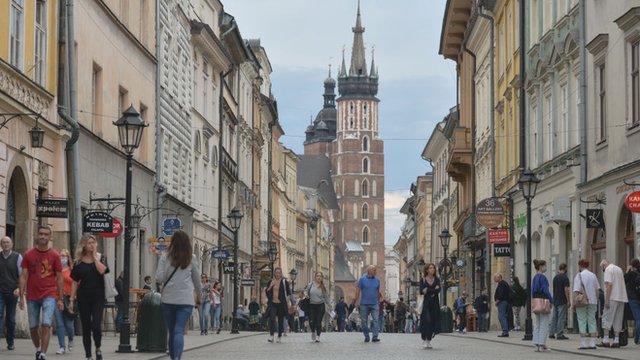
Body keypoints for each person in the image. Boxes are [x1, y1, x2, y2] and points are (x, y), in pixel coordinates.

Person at [19, 226, 64, 360]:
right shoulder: (28, 254)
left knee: (46, 323)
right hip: (32, 295)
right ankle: (38, 348)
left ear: (50, 237)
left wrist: (60, 298)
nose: (43, 236)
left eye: (46, 234)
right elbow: (23, 275)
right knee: (33, 327)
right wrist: (21, 296)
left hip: (49, 294)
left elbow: (59, 277)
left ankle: (43, 354)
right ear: (37, 235)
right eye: (41, 234)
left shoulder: (55, 255)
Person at [155, 230, 202, 360]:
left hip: (168, 299)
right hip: (186, 300)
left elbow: (159, 278)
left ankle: (173, 358)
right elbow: (197, 281)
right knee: (179, 330)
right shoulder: (191, 258)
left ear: (173, 243)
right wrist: (199, 295)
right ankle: (177, 358)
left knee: (171, 330)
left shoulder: (165, 257)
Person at [68, 235, 109, 360]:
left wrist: (95, 257)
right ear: (84, 245)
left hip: (98, 296)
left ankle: (98, 348)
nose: (92, 245)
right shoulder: (78, 262)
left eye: (93, 242)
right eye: (89, 243)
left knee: (96, 325)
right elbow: (75, 282)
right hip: (83, 297)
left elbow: (103, 271)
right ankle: (88, 355)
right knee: (86, 326)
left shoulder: (101, 258)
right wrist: (71, 300)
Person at [598, 259, 628, 348]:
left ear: (604, 266)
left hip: (612, 297)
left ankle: (606, 340)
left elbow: (609, 285)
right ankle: (616, 340)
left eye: (602, 269)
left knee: (606, 318)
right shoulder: (619, 269)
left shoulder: (608, 270)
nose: (603, 270)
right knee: (617, 319)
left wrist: (606, 300)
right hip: (621, 297)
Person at [0, 236, 22, 351]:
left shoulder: (17, 257)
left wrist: (19, 288)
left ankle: (10, 342)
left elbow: (22, 275)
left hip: (13, 292)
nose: (6, 244)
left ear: (11, 244)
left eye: (8, 242)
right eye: (3, 242)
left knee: (10, 319)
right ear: (1, 244)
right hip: (0, 292)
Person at [573, 259, 600, 350]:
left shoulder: (579, 275)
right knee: (592, 320)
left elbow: (576, 290)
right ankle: (593, 342)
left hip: (582, 302)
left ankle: (583, 342)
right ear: (588, 265)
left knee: (582, 320)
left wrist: (575, 302)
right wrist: (596, 300)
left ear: (580, 266)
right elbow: (597, 290)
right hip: (592, 301)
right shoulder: (593, 275)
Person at [54, 249, 74, 355]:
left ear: (68, 258)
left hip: (69, 299)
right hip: (56, 299)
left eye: (64, 256)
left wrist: (73, 298)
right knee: (59, 324)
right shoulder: (55, 270)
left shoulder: (72, 270)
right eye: (60, 256)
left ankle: (71, 339)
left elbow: (77, 284)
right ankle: (62, 346)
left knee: (69, 325)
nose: (62, 258)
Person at [354, 265, 383, 343]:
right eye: (374, 270)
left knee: (376, 320)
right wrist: (357, 301)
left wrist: (379, 298)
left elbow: (378, 291)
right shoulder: (362, 280)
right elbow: (358, 290)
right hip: (364, 304)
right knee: (364, 321)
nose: (376, 272)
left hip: (375, 303)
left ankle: (375, 336)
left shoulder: (377, 280)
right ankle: (366, 336)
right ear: (369, 271)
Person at [265, 267, 293, 343]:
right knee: (272, 319)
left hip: (281, 304)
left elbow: (288, 292)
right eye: (276, 272)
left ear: (281, 273)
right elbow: (267, 292)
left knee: (280, 321)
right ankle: (271, 335)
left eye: (279, 272)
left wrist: (287, 301)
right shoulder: (271, 281)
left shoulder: (284, 282)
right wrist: (271, 286)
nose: (277, 274)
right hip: (273, 303)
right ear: (274, 273)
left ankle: (279, 336)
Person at [531, 259, 553, 352]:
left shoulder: (535, 277)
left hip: (536, 301)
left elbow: (533, 290)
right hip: (543, 301)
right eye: (545, 265)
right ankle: (542, 344)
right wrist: (551, 300)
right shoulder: (543, 277)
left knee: (538, 323)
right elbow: (545, 290)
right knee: (544, 323)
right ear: (541, 266)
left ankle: (536, 343)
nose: (545, 267)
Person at [305, 271, 331, 342]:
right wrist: (306, 295)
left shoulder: (323, 287)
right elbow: (305, 291)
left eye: (320, 276)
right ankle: (313, 331)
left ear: (322, 278)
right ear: (315, 277)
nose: (319, 277)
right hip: (311, 305)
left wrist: (329, 305)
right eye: (318, 276)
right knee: (311, 322)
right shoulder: (310, 285)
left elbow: (326, 297)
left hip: (320, 305)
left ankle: (318, 336)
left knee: (318, 321)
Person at [419, 263, 440, 349]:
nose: (432, 269)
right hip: (427, 303)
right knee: (427, 320)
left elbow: (438, 290)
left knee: (433, 321)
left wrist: (428, 290)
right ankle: (424, 339)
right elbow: (421, 291)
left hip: (435, 304)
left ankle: (429, 340)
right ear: (427, 270)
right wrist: (433, 290)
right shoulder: (423, 279)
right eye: (431, 268)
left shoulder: (437, 279)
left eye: (433, 268)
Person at [550, 263, 570, 340]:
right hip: (562, 300)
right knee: (561, 317)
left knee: (554, 317)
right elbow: (566, 290)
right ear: (565, 268)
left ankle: (551, 333)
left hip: (555, 299)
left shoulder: (555, 278)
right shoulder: (565, 278)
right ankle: (559, 333)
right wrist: (568, 300)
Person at [624, 258, 640, 345]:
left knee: (638, 319)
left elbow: (624, 280)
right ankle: (637, 338)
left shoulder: (630, 274)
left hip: (633, 298)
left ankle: (638, 338)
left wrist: (627, 270)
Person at [494, 273, 510, 337]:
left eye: (495, 277)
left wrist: (497, 301)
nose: (494, 279)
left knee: (502, 316)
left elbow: (501, 294)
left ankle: (505, 331)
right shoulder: (502, 283)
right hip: (503, 302)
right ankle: (505, 330)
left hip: (502, 302)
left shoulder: (502, 284)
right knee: (502, 316)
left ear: (499, 277)